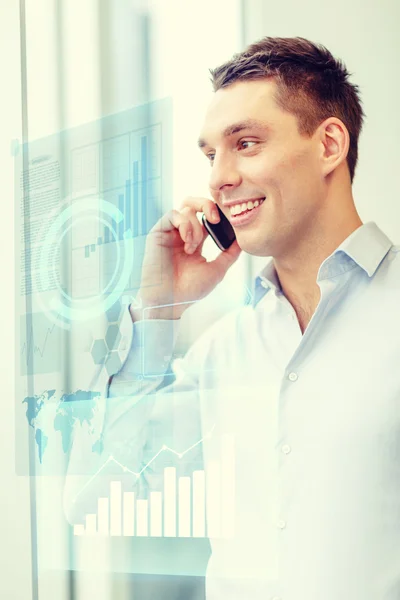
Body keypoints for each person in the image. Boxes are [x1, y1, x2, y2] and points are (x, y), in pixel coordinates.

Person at [64, 36, 400, 600]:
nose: (218, 178)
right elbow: (92, 501)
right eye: (210, 155)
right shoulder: (222, 351)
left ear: (329, 145)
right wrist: (156, 312)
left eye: (245, 143)